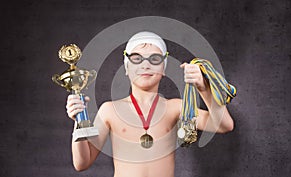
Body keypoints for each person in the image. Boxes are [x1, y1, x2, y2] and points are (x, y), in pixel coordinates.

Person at [66, 31, 234, 177]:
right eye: (136, 58)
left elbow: (224, 125)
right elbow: (82, 163)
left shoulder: (175, 108)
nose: (145, 65)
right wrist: (79, 122)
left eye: (154, 59)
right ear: (126, 67)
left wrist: (203, 88)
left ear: (164, 68)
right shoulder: (110, 110)